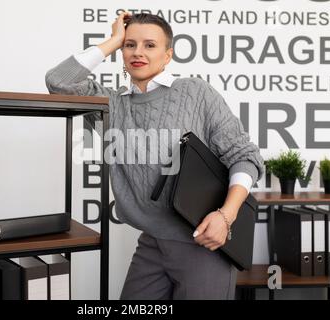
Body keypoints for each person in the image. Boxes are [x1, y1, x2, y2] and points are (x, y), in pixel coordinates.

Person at [46, 12, 264, 300]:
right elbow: (58, 82)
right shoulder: (110, 104)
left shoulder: (195, 93)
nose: (138, 52)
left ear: (167, 54)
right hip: (151, 242)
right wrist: (113, 40)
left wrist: (225, 217)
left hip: (203, 243)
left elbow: (245, 156)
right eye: (130, 44)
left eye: (150, 45)